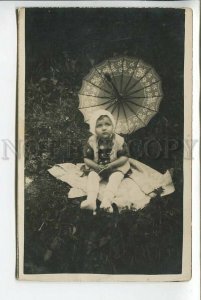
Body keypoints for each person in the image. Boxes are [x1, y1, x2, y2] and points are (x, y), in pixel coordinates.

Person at [81, 109, 131, 213]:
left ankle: (107, 201)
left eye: (107, 124)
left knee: (115, 178)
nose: (104, 128)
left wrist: (112, 165)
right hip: (97, 166)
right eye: (99, 125)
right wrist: (95, 166)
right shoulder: (92, 141)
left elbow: (124, 157)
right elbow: (86, 158)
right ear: (94, 129)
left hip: (115, 167)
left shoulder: (119, 140)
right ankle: (91, 200)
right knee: (92, 176)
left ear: (113, 126)